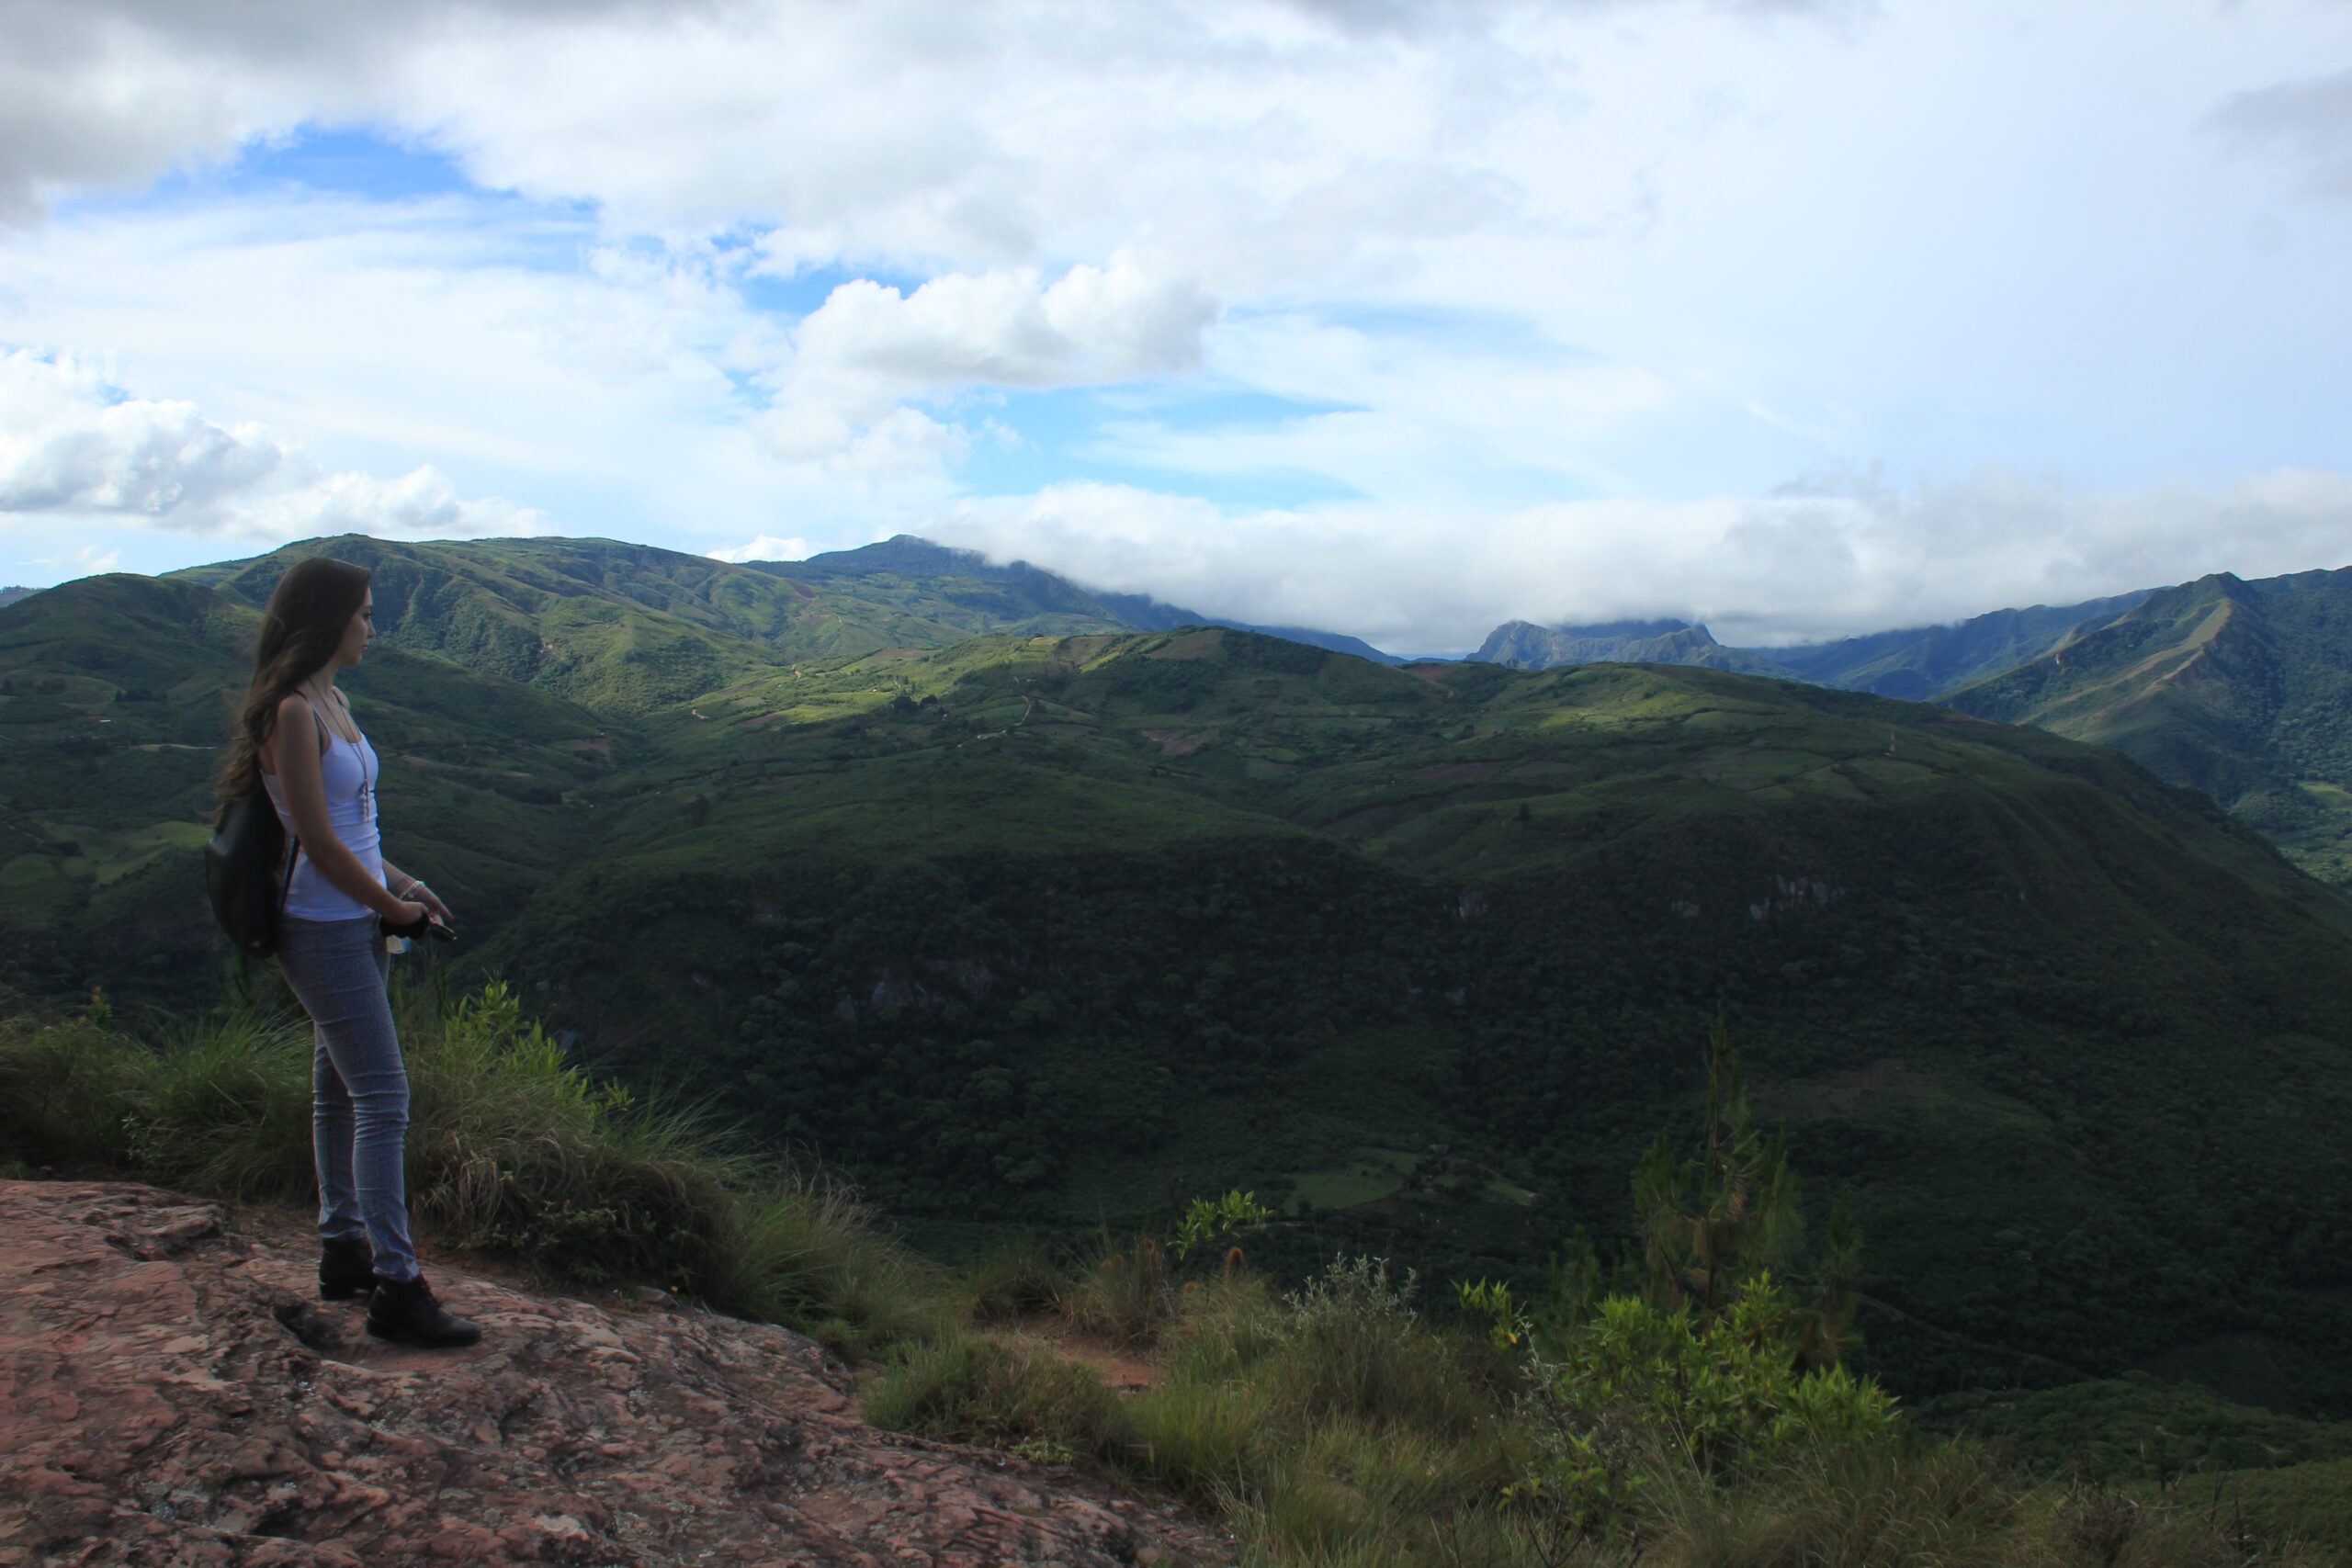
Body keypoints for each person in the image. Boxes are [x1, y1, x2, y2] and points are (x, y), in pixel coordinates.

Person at [213, 556, 481, 1348]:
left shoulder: (333, 700)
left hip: (352, 918)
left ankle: (343, 1247)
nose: (373, 625)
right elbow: (319, 841)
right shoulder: (292, 713)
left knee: (339, 1089)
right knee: (384, 1097)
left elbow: (359, 831)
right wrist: (389, 907)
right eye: (363, 612)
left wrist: (410, 884)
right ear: (327, 619)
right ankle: (398, 1286)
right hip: (321, 925)